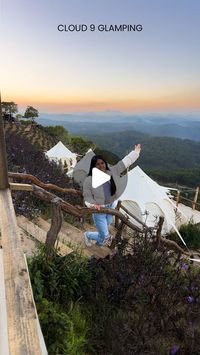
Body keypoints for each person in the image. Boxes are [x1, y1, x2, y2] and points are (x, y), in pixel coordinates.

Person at [83, 144, 141, 247]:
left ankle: (95, 240)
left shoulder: (113, 171)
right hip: (99, 210)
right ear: (93, 166)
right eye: (98, 164)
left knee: (104, 232)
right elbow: (87, 196)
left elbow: (125, 162)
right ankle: (89, 236)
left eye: (102, 163)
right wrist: (92, 204)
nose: (101, 166)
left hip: (111, 206)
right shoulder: (89, 180)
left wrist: (136, 152)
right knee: (105, 235)